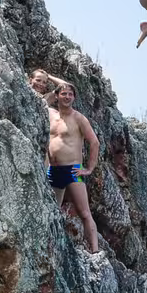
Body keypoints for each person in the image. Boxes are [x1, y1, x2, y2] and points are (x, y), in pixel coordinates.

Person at [47, 81, 102, 253]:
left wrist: (89, 169)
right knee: (52, 211)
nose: (67, 97)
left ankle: (95, 251)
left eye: (71, 94)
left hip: (72, 170)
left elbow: (94, 142)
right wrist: (49, 77)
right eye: (63, 93)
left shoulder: (78, 118)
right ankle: (52, 247)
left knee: (84, 213)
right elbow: (40, 99)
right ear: (57, 96)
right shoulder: (50, 113)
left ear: (74, 98)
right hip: (53, 170)